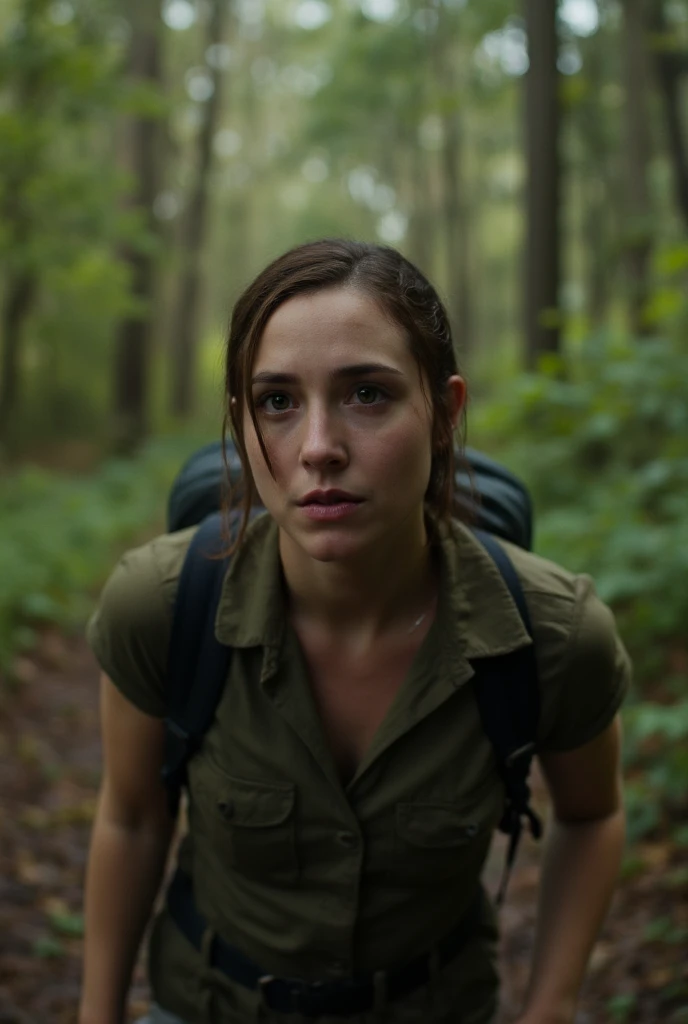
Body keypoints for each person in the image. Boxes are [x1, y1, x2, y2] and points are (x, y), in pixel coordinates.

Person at [79, 239, 630, 1024]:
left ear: (444, 413)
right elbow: (131, 819)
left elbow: (591, 815)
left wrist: (552, 1005)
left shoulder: (555, 635)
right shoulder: (162, 607)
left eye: (367, 394)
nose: (318, 448)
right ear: (240, 426)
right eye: (277, 401)